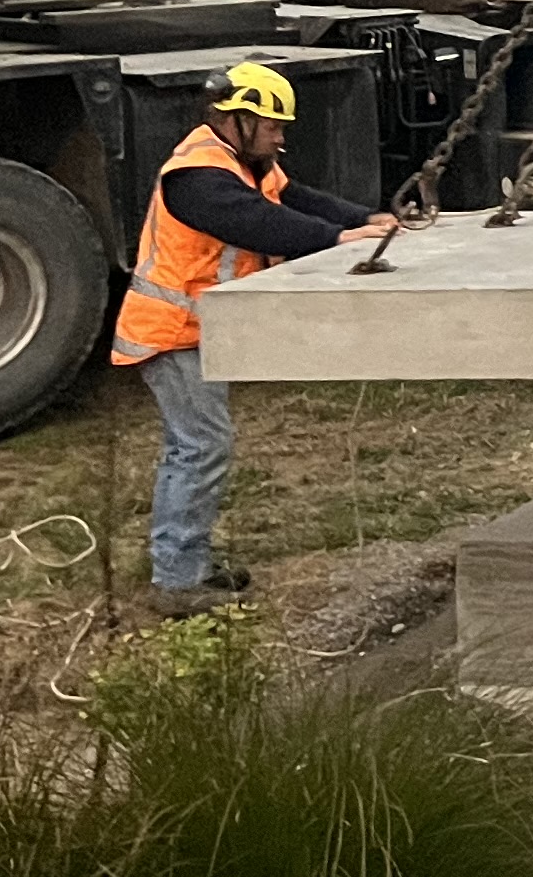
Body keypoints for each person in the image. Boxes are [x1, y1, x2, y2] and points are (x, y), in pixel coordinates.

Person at [111, 62, 393, 610]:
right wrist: (340, 237)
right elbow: (257, 223)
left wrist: (368, 217)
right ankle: (177, 580)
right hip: (171, 333)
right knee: (199, 447)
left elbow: (295, 200)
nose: (281, 137)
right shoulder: (197, 177)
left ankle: (184, 566)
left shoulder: (246, 163)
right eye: (273, 126)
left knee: (195, 446)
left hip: (197, 330)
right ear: (237, 119)